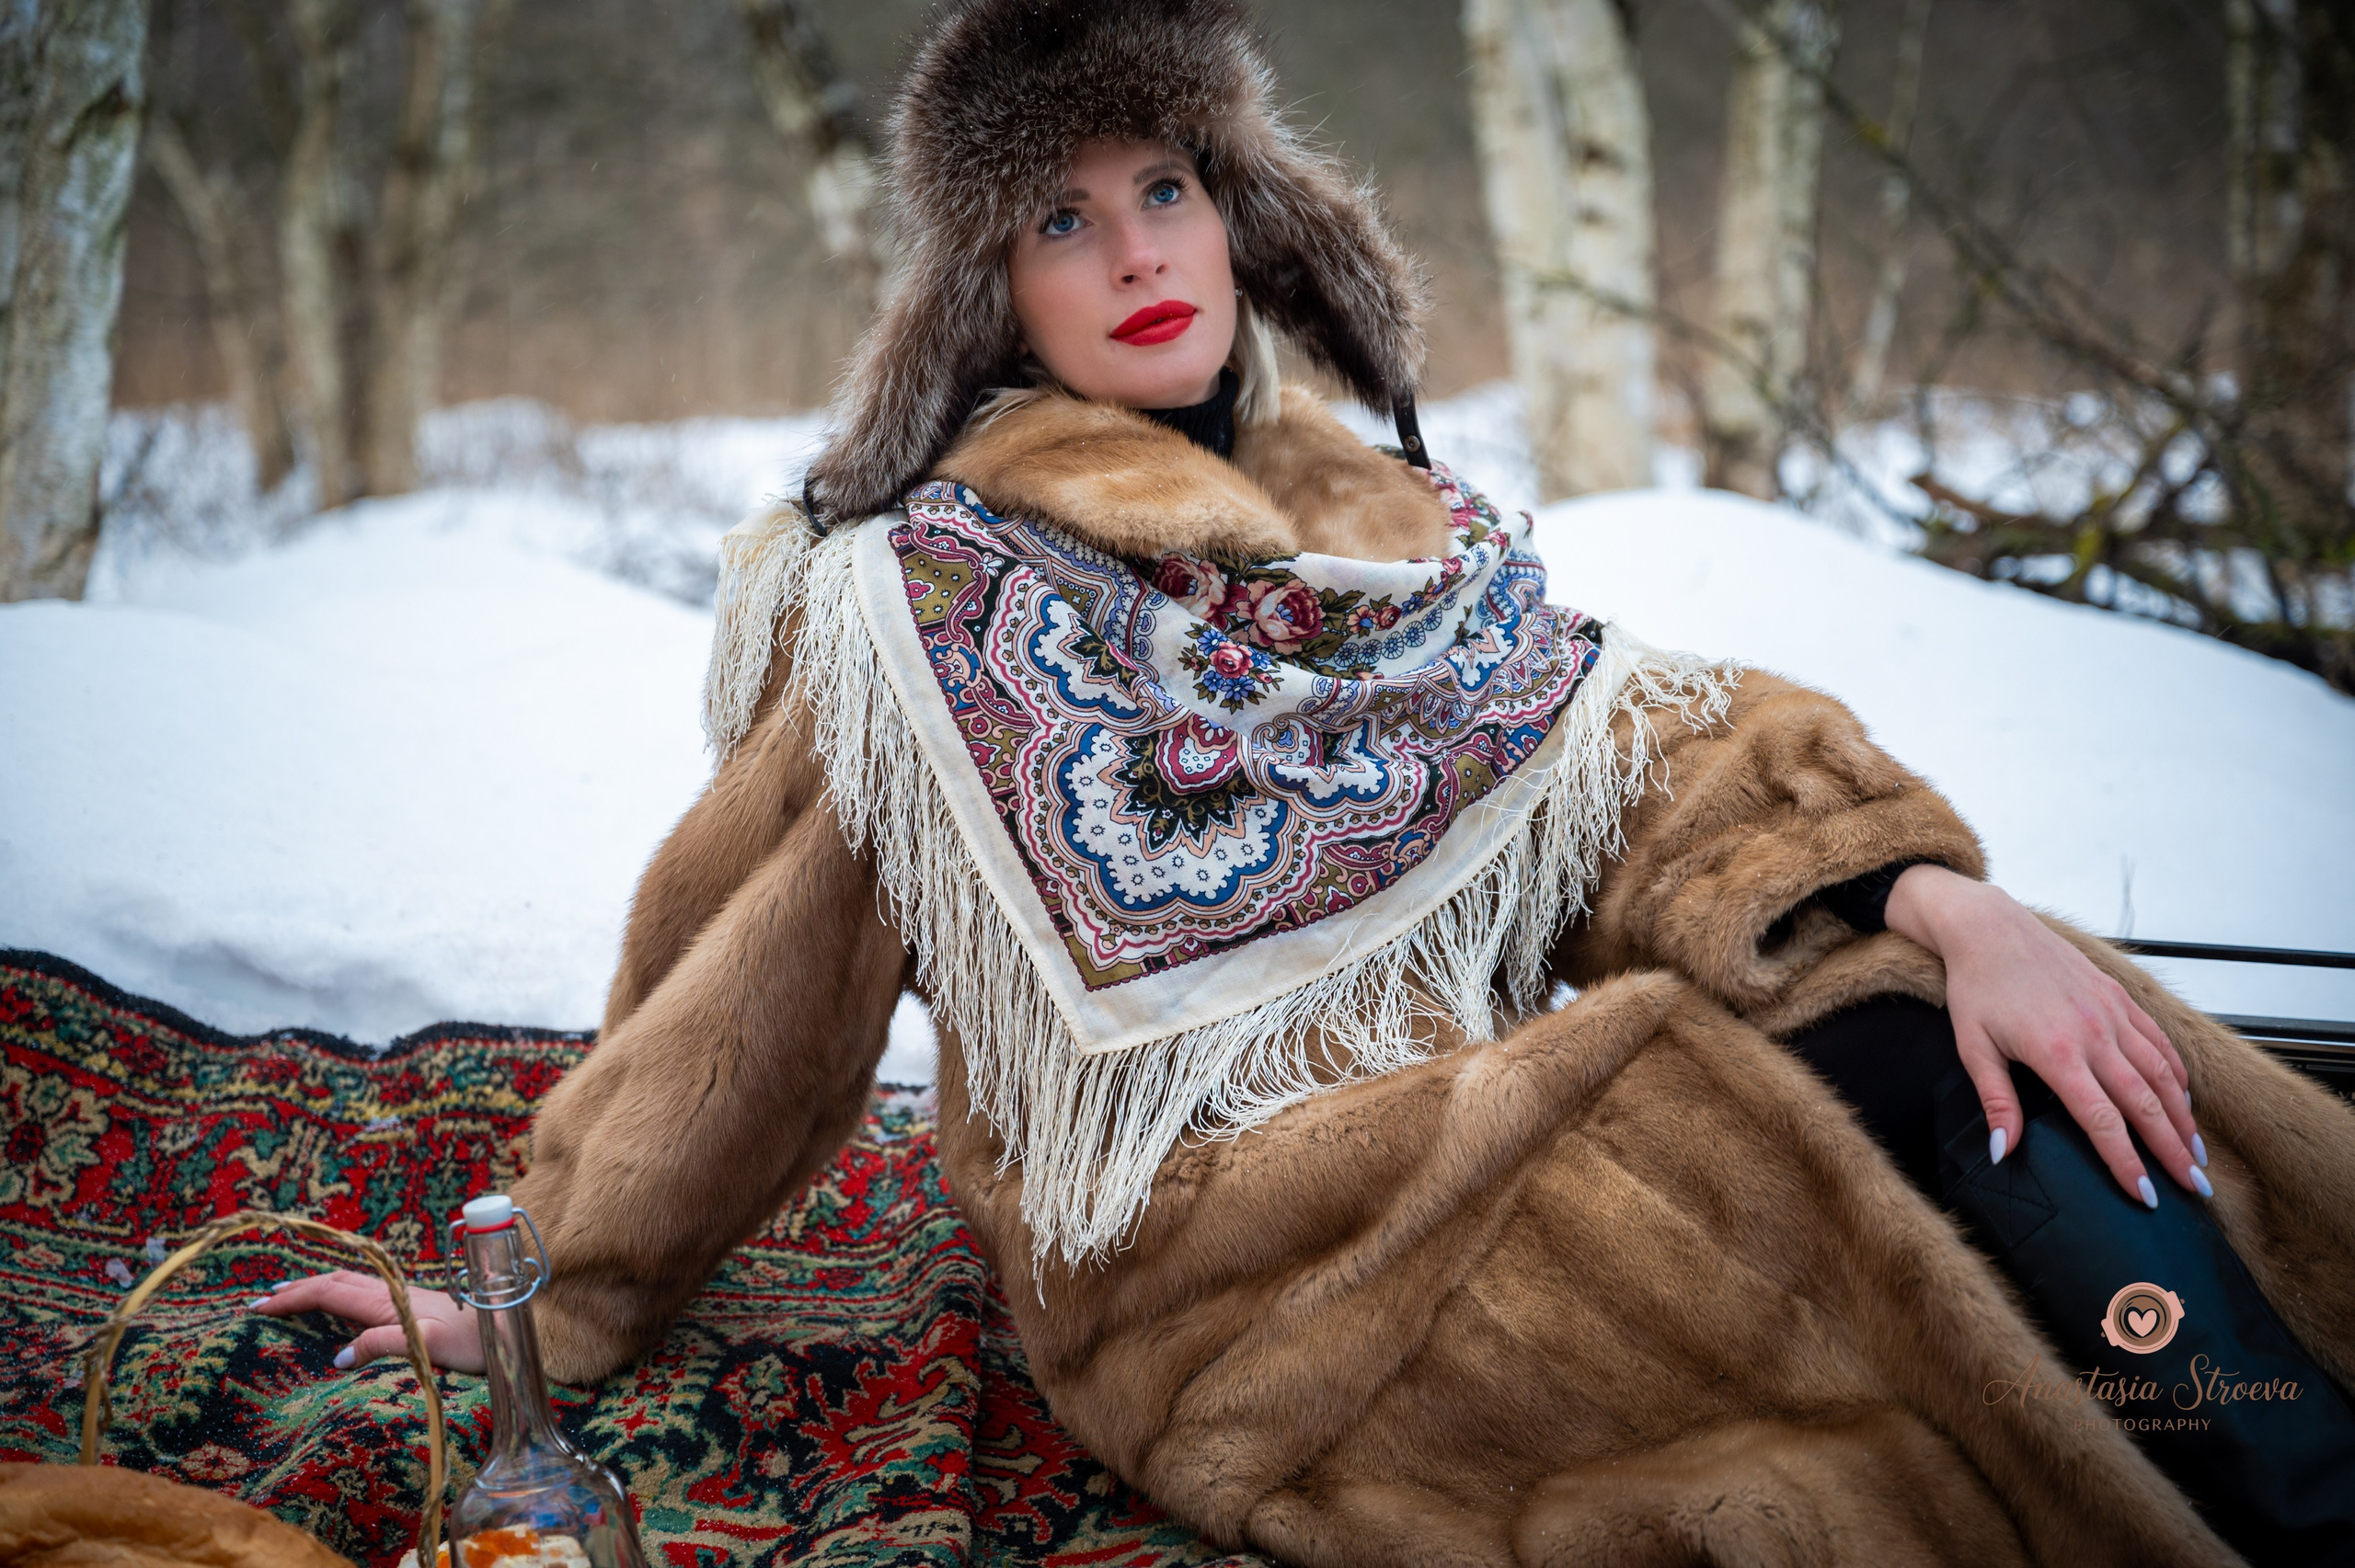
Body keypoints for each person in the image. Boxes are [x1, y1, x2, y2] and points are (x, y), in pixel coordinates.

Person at [261, 4, 2355, 1563]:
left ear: (1240, 213)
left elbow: (1620, 754)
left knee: (1926, 1016)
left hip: (1485, 1106)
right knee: (1742, 1216)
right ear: (994, 290)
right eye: (1062, 219)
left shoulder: (1373, 523)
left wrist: (1933, 894)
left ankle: (2297, 1466)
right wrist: (556, 1283)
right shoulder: (931, 602)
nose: (1134, 251)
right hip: (1232, 1268)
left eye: (1164, 188)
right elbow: (753, 990)